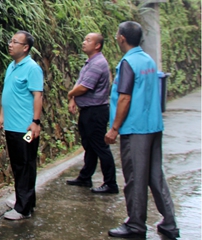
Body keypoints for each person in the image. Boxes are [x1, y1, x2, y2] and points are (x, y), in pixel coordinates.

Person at [105, 21, 179, 239]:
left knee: (135, 178)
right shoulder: (148, 60)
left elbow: (125, 98)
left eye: (117, 34)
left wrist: (114, 128)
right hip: (153, 126)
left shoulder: (128, 63)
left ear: (122, 38)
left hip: (135, 129)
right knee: (155, 175)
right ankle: (169, 222)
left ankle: (136, 224)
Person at [0, 30, 43, 220]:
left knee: (25, 164)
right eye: (11, 40)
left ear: (25, 48)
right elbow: (8, 93)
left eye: (15, 42)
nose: (10, 44)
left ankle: (24, 209)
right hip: (12, 127)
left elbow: (37, 95)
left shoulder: (32, 68)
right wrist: (1, 116)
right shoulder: (12, 66)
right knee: (18, 164)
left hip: (26, 128)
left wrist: (35, 122)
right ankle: (23, 201)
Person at [66, 33, 118, 194]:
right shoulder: (90, 62)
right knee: (89, 146)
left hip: (96, 112)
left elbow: (84, 87)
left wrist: (70, 94)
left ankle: (111, 183)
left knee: (100, 147)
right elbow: (80, 83)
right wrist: (74, 98)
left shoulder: (97, 64)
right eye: (84, 38)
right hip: (89, 110)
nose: (84, 42)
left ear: (97, 45)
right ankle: (85, 177)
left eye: (88, 40)